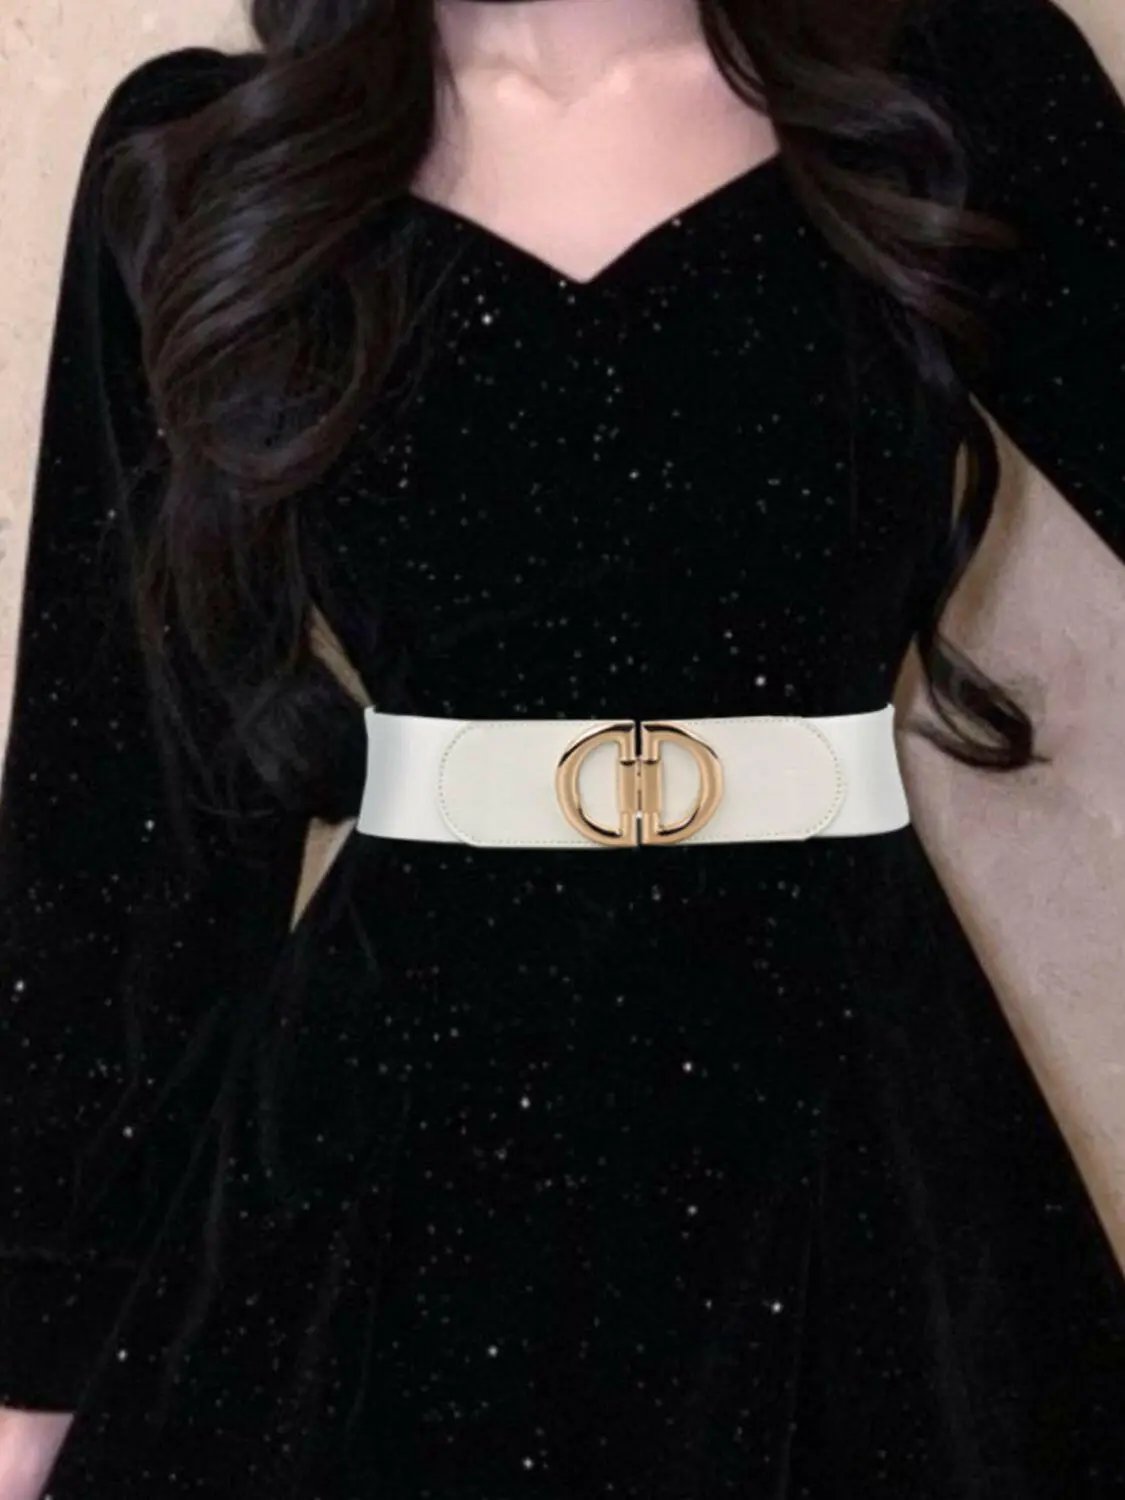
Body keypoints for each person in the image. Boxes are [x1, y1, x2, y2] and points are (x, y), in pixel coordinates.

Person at [1, 0, 1123, 1493]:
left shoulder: (946, 91)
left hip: (856, 1137)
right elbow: (125, 802)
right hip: (374, 1161)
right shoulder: (209, 155)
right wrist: (37, 1365)